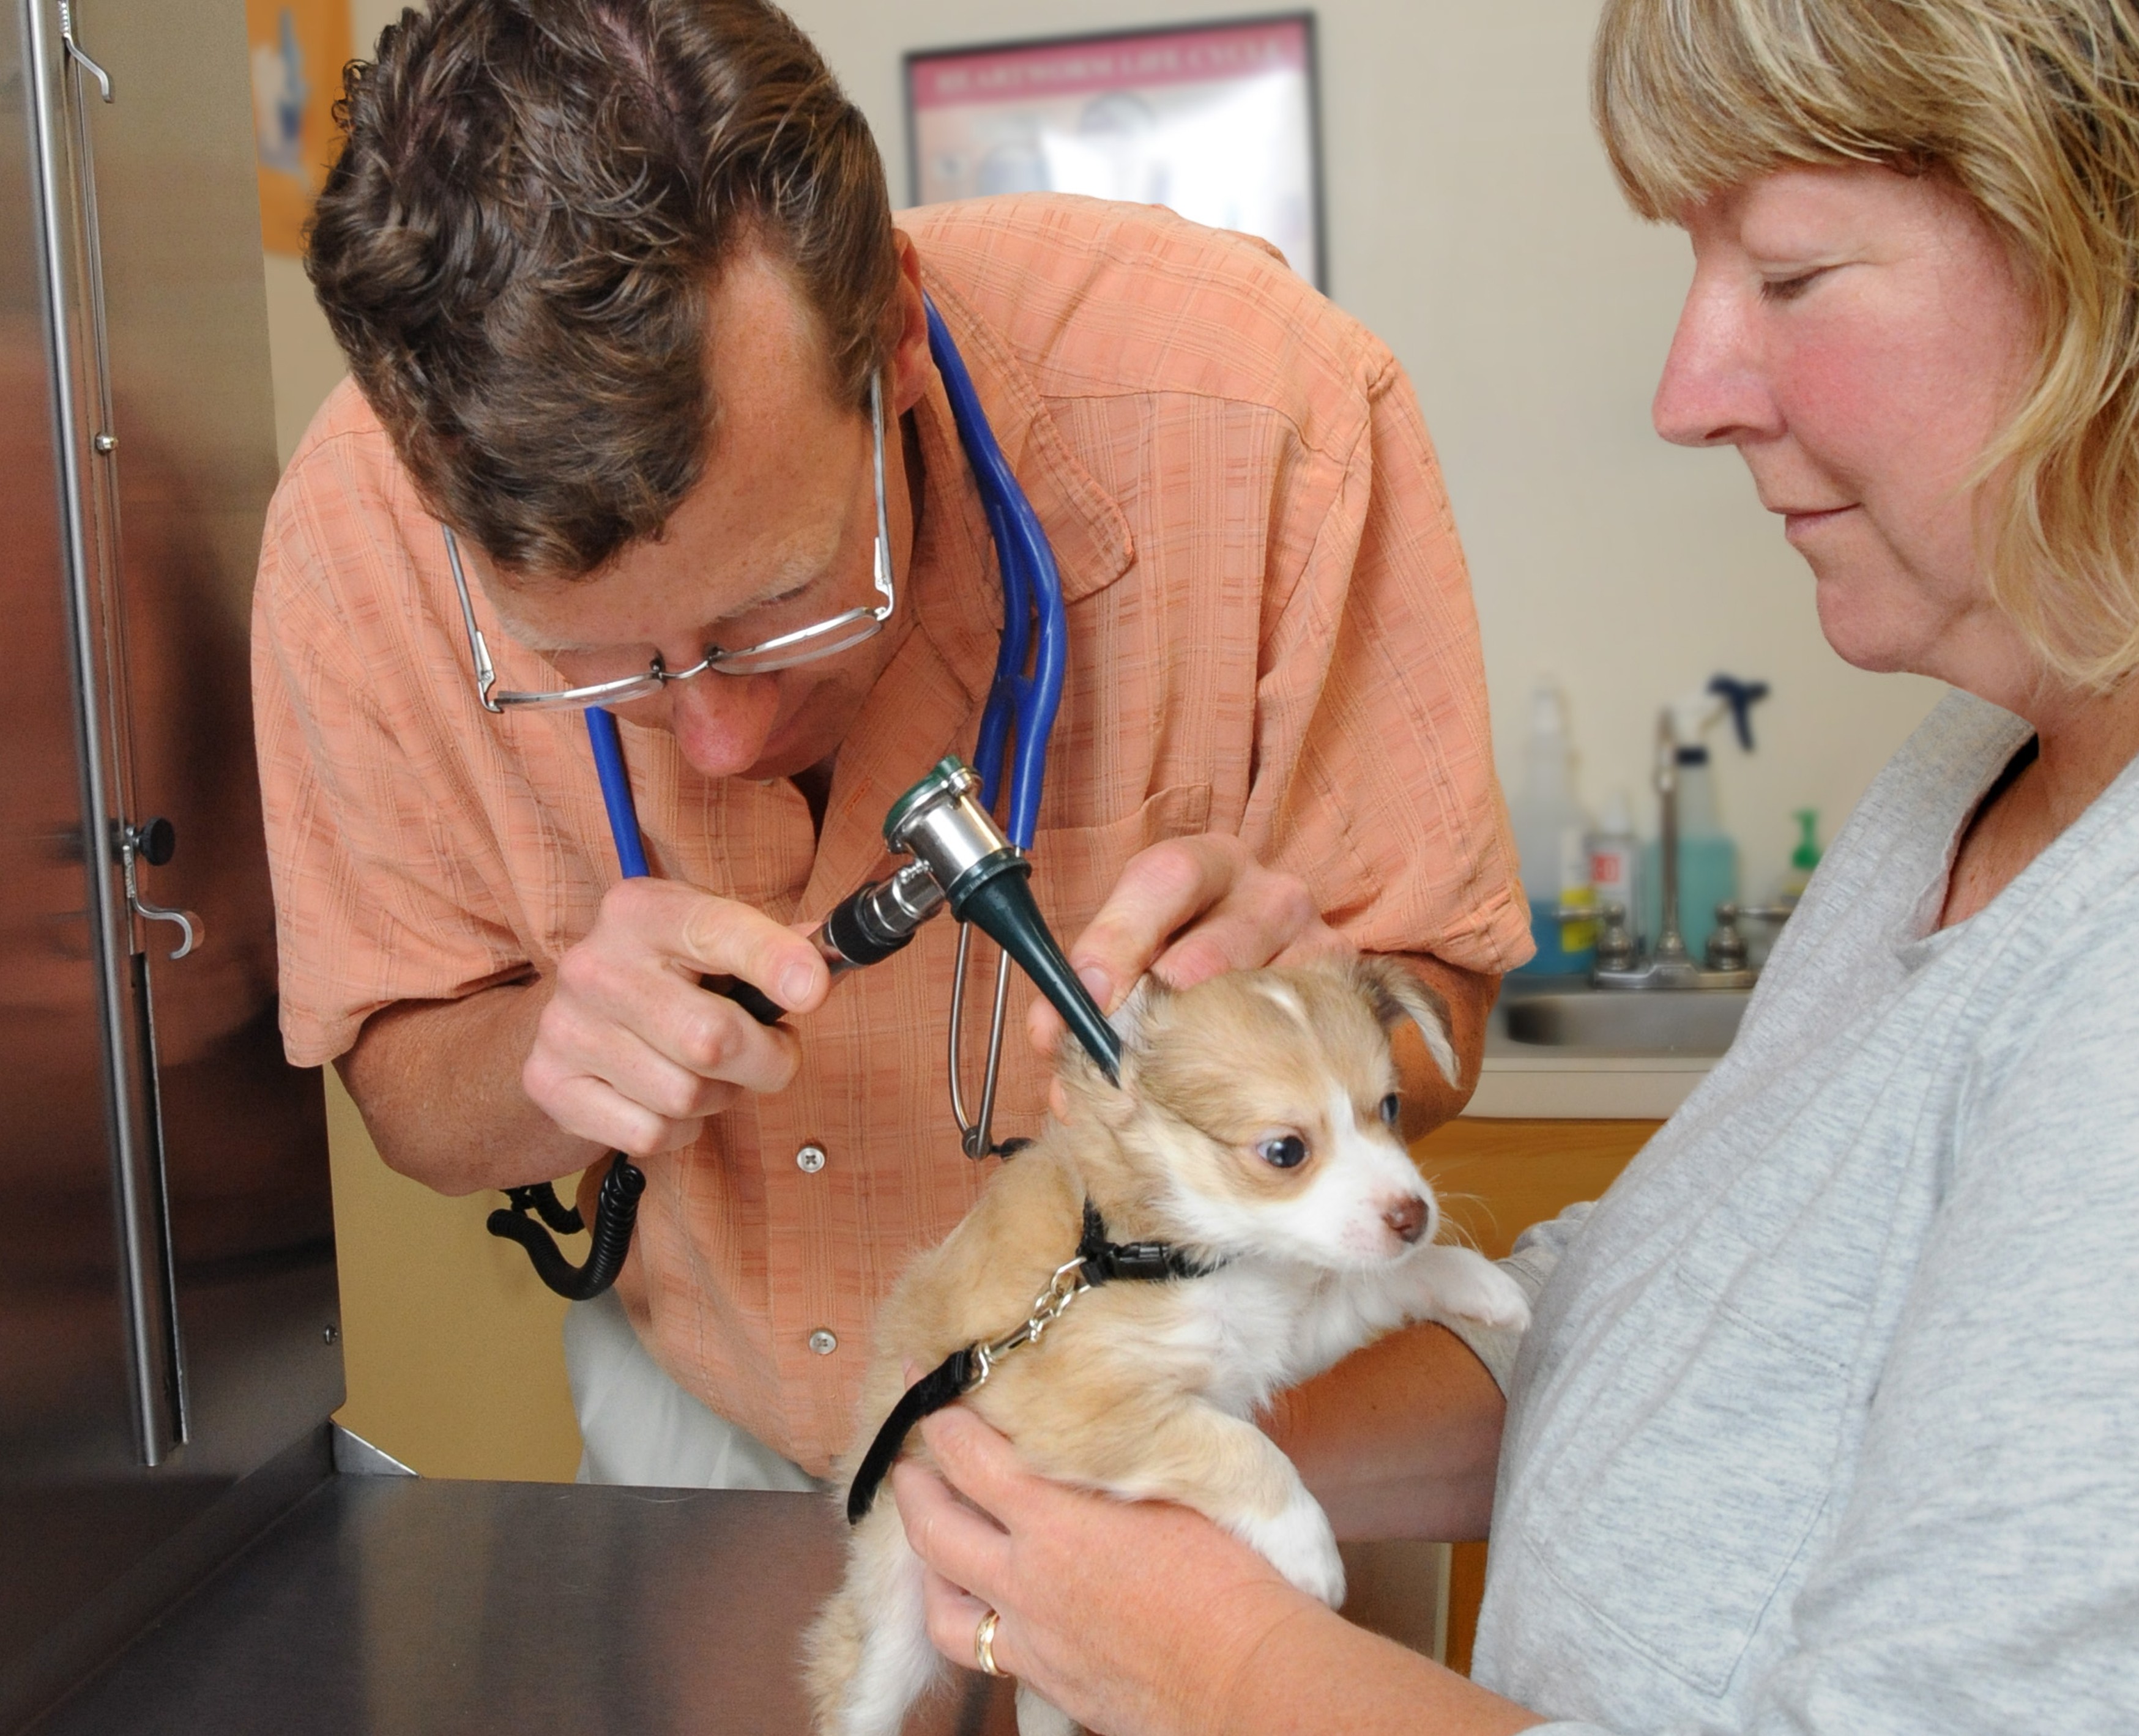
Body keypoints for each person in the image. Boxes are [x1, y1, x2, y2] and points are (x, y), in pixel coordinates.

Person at [890, 0, 2139, 1729]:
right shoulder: (1961, 775)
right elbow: (1672, 1320)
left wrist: (1221, 1655)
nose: (1687, 392)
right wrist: (1154, 1428)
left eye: (1787, 274)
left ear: (2103, 265)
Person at [250, 0, 1527, 1491]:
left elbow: (1437, 1000)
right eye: (590, 660)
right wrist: (542, 1064)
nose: (717, 737)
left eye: (782, 603)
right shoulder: (356, 539)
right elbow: (403, 1076)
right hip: (708, 1417)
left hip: (1214, 1390)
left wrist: (1310, 1018)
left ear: (897, 335)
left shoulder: (1265, 415)